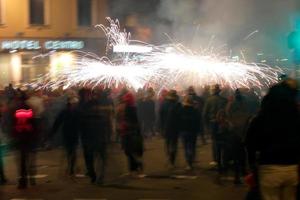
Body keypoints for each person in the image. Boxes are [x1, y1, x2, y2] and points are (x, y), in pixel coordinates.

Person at [245, 79, 300, 200]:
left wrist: (252, 164)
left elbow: (250, 143)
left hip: (269, 169)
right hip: (292, 169)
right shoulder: (296, 117)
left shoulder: (261, 119)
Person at [12, 91, 38, 189]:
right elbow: (32, 123)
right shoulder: (28, 108)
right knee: (30, 158)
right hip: (28, 136)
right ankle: (31, 178)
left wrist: (14, 134)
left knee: (22, 160)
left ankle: (23, 180)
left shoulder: (17, 109)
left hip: (21, 137)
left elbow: (15, 123)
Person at [49, 97, 79, 176]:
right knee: (71, 150)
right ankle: (71, 166)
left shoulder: (67, 112)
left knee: (71, 150)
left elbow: (57, 122)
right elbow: (57, 122)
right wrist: (52, 132)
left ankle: (71, 166)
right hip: (70, 133)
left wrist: (52, 133)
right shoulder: (71, 112)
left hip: (71, 133)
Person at [117, 90, 144, 174]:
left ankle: (135, 166)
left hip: (129, 132)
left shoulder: (131, 109)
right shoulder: (127, 107)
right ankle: (133, 168)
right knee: (128, 151)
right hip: (126, 132)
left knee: (128, 151)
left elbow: (135, 121)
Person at [202, 84, 227, 165]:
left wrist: (206, 125)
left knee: (215, 141)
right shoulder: (224, 100)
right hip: (222, 123)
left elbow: (204, 114)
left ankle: (216, 159)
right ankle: (224, 159)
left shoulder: (209, 100)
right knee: (223, 140)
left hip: (212, 123)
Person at [178, 95, 200, 170]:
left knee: (186, 147)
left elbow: (178, 121)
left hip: (184, 131)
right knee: (192, 146)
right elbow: (198, 122)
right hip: (193, 131)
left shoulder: (181, 110)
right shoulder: (195, 111)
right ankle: (191, 160)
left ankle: (188, 162)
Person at [159, 90, 181, 168]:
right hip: (175, 128)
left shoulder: (163, 104)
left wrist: (160, 128)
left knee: (167, 144)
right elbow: (180, 118)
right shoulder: (178, 104)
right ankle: (172, 161)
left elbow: (160, 117)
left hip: (166, 128)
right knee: (174, 144)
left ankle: (168, 156)